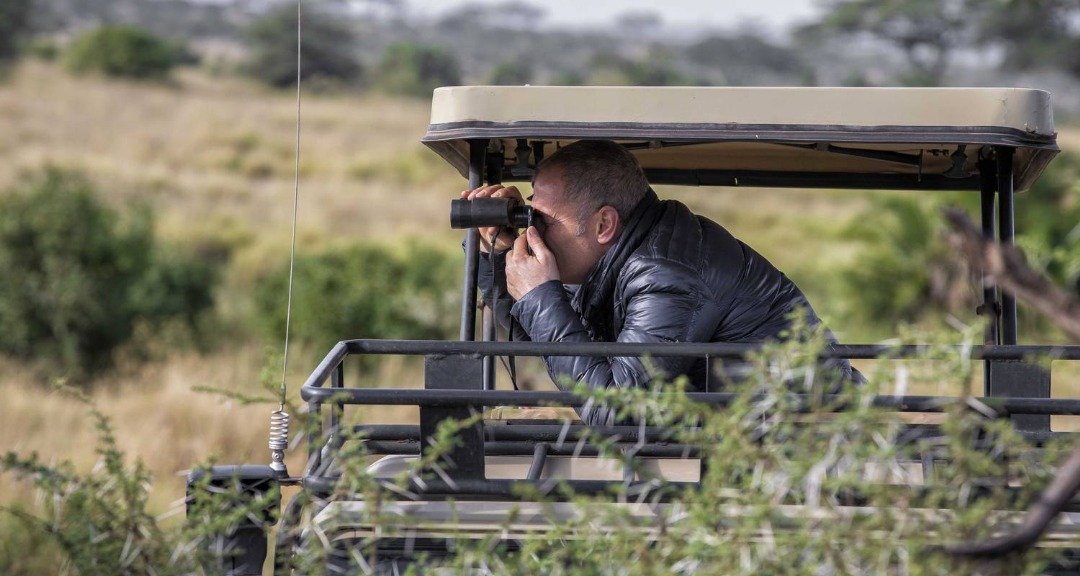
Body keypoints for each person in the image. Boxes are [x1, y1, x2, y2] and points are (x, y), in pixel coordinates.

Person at [463, 140, 856, 425]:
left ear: (603, 225)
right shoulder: (621, 257)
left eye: (541, 218)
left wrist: (541, 297)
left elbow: (616, 410)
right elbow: (537, 339)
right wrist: (496, 253)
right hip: (748, 437)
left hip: (810, 442)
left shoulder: (665, 272)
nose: (534, 229)